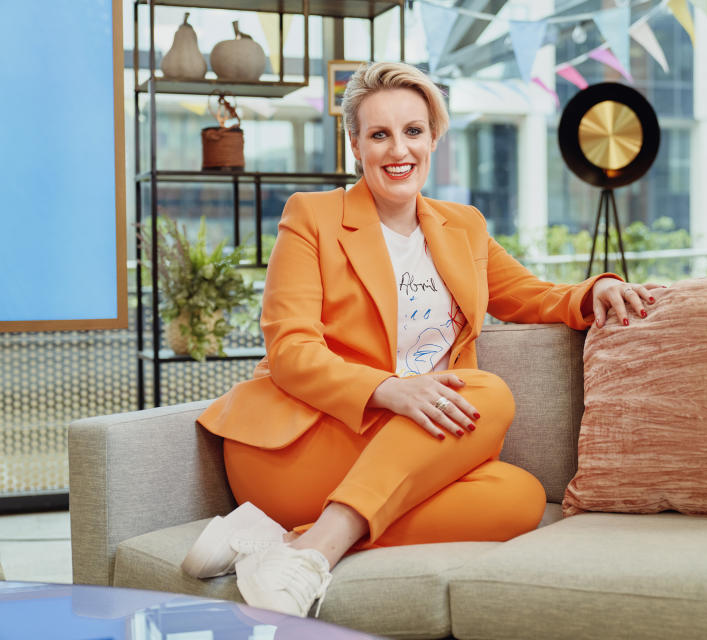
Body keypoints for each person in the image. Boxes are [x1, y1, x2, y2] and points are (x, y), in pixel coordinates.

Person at [182, 61, 659, 617]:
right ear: (355, 145)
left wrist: (595, 290)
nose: (397, 149)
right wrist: (389, 389)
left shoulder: (464, 226)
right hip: (302, 443)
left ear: (434, 136)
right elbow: (290, 351)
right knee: (487, 393)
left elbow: (530, 295)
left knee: (521, 498)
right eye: (378, 134)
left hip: (400, 452)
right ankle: (316, 550)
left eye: (412, 130)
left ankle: (284, 542)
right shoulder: (311, 217)